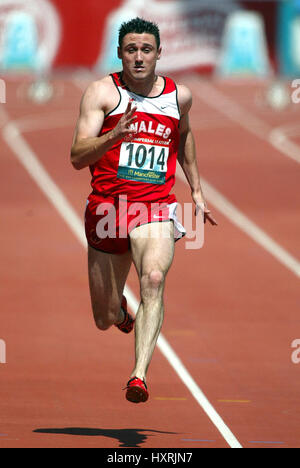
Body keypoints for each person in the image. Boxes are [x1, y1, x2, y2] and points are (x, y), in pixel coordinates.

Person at [71, 17, 217, 404]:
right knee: (102, 319)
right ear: (120, 53)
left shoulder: (178, 95)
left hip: (154, 207)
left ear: (158, 54)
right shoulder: (102, 94)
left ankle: (138, 375)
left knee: (152, 277)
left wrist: (197, 190)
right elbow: (76, 156)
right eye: (131, 50)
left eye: (146, 50)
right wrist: (114, 135)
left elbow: (183, 134)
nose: (139, 57)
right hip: (107, 210)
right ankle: (120, 311)